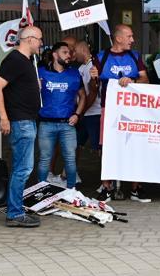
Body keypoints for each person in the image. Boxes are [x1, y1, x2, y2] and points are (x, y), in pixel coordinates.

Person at [90, 24, 151, 203]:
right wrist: (93, 78)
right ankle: (106, 187)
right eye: (129, 36)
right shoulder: (101, 57)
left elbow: (145, 79)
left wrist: (132, 80)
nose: (133, 40)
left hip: (133, 110)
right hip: (108, 109)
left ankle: (135, 189)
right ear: (118, 38)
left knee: (135, 146)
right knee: (106, 148)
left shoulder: (135, 56)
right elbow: (93, 87)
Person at [0, 26, 44, 227]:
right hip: (21, 122)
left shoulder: (27, 62)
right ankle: (14, 213)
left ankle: (16, 210)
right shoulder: (15, 60)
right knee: (22, 169)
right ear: (29, 39)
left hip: (26, 121)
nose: (41, 43)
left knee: (22, 168)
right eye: (39, 39)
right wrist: (4, 117)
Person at [36, 42, 86, 188]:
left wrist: (77, 114)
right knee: (44, 159)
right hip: (46, 123)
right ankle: (40, 190)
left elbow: (83, 96)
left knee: (70, 159)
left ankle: (71, 190)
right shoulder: (40, 72)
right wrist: (35, 88)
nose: (69, 55)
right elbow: (26, 94)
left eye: (69, 53)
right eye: (65, 52)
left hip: (67, 124)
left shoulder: (74, 73)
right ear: (55, 54)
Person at [74, 41, 102, 157]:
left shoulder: (93, 67)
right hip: (85, 113)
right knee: (76, 145)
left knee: (99, 148)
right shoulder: (82, 68)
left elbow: (93, 93)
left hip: (94, 113)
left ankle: (105, 174)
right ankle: (68, 174)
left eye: (75, 51)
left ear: (82, 50)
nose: (73, 55)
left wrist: (82, 111)